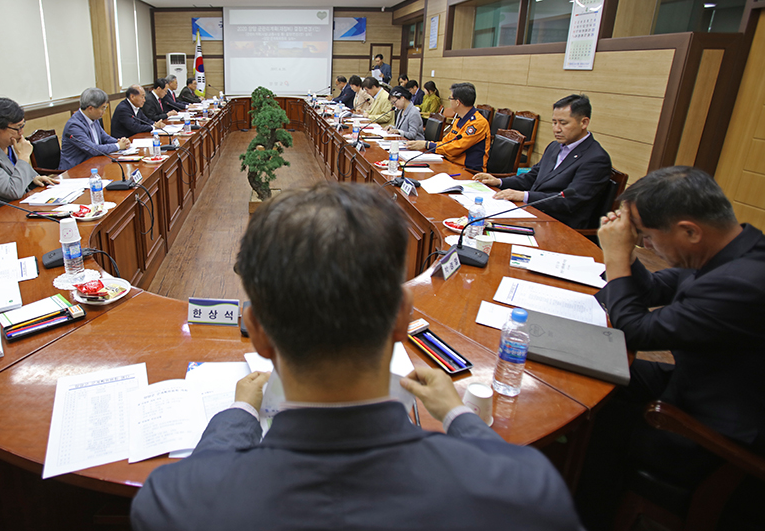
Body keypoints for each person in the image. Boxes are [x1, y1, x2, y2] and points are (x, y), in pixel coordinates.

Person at [130, 182, 581, 531]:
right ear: (402, 320)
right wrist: (459, 415)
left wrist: (239, 413)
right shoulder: (524, 489)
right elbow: (503, 467)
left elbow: (208, 478)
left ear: (259, 333)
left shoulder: (174, 503)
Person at [576, 166, 765, 530]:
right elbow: (653, 290)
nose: (646, 245)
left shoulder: (742, 285)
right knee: (581, 368)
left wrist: (615, 257)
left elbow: (636, 332)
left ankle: (590, 512)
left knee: (596, 422)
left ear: (690, 231)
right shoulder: (733, 249)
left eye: (645, 237)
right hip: (701, 383)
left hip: (714, 430)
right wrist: (627, 255)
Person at [473, 94, 611, 229]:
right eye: (554, 122)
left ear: (584, 122)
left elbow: (570, 201)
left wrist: (524, 196)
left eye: (563, 123)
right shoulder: (554, 146)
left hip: (559, 226)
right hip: (533, 213)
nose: (556, 129)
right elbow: (532, 177)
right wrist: (499, 182)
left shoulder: (596, 159)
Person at [0, 97, 58, 221]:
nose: (21, 132)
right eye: (17, 128)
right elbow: (13, 191)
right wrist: (24, 157)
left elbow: (15, 173)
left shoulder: (8, 142)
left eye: (22, 125)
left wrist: (33, 178)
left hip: (18, 208)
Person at [406, 82, 490, 172]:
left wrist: (427, 145)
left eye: (450, 98)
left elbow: (456, 148)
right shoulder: (459, 120)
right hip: (452, 164)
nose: (449, 101)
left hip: (469, 171)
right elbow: (446, 142)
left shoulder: (477, 123)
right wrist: (426, 144)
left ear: (457, 102)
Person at [59, 88, 131, 170]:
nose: (104, 112)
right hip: (75, 170)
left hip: (93, 164)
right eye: (102, 108)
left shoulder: (94, 119)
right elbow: (93, 149)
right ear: (90, 109)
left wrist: (121, 142)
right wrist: (118, 146)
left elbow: (105, 138)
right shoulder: (74, 125)